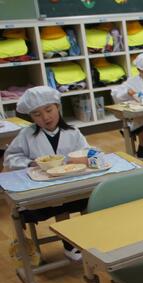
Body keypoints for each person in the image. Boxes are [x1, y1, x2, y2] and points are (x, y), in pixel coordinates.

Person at [3, 86, 89, 261]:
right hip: (42, 190)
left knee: (90, 199)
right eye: (37, 114)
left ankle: (88, 238)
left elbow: (87, 150)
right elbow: (11, 157)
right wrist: (30, 163)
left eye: (49, 110)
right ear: (31, 117)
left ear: (58, 107)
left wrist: (82, 158)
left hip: (72, 184)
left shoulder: (72, 132)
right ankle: (69, 244)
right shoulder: (26, 135)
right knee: (60, 204)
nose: (45, 117)